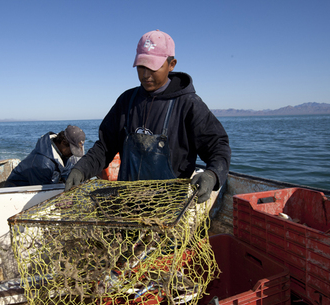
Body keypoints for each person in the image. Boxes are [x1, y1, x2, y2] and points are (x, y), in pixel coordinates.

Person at [65, 30, 231, 203]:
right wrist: (81, 169)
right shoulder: (126, 101)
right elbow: (104, 147)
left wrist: (212, 175)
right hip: (127, 203)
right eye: (141, 66)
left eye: (153, 67)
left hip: (170, 207)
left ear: (171, 64)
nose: (145, 74)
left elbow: (218, 147)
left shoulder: (189, 104)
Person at [5, 125, 86, 186]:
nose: (72, 154)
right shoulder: (43, 163)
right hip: (18, 191)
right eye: (72, 150)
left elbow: (67, 171)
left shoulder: (62, 152)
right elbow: (42, 192)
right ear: (63, 142)